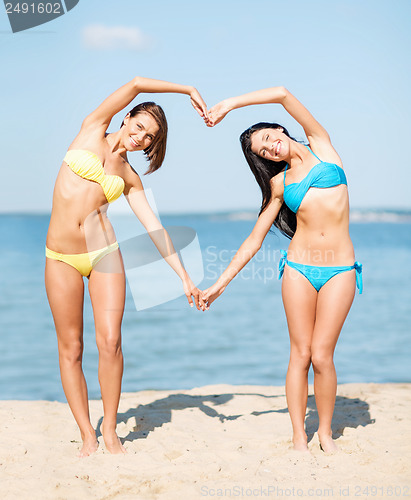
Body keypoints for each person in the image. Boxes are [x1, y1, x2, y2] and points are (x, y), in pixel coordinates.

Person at [45, 77, 208, 457]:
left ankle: (112, 429)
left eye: (150, 137)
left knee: (111, 341)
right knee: (71, 347)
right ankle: (88, 433)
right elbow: (135, 83)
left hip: (104, 254)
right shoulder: (91, 129)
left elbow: (156, 229)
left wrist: (184, 277)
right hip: (61, 256)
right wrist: (187, 91)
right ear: (127, 117)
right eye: (139, 127)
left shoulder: (130, 177)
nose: (141, 138)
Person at [203, 86, 362, 453]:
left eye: (269, 137)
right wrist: (218, 285)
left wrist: (229, 104)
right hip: (298, 269)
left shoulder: (322, 144)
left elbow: (282, 93)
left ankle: (325, 432)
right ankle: (298, 436)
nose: (270, 147)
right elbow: (253, 240)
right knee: (300, 353)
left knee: (323, 355)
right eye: (262, 149)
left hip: (340, 269)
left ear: (281, 130)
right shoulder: (279, 183)